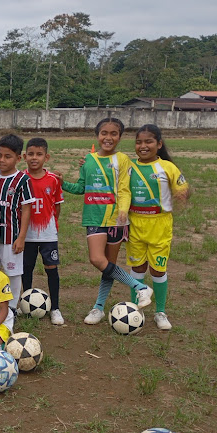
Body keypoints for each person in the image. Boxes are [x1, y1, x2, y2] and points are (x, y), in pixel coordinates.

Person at [61, 118, 153, 324]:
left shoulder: (123, 159)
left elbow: (124, 189)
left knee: (108, 266)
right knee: (97, 259)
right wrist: (61, 183)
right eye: (104, 133)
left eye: (114, 133)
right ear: (97, 135)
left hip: (116, 219)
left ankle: (99, 308)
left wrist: (123, 211)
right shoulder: (88, 159)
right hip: (93, 217)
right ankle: (140, 287)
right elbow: (81, 187)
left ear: (120, 137)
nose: (108, 138)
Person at [127, 124, 190, 330]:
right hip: (135, 223)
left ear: (159, 144)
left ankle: (160, 312)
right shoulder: (129, 167)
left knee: (157, 269)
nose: (143, 146)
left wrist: (183, 194)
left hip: (160, 224)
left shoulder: (168, 167)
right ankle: (136, 309)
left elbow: (182, 187)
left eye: (148, 142)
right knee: (137, 267)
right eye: (139, 142)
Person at [0, 134, 35, 318]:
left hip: (11, 237)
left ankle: (12, 307)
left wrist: (21, 237)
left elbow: (27, 210)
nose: (2, 160)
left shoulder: (23, 180)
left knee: (12, 272)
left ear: (18, 158)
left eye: (7, 156)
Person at [21, 137, 65, 325]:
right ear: (24, 156)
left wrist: (53, 224)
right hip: (26, 235)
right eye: (31, 154)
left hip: (47, 235)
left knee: (51, 270)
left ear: (46, 157)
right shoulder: (21, 178)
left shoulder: (53, 180)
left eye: (39, 154)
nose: (34, 158)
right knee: (26, 269)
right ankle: (25, 303)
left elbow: (57, 205)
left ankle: (55, 308)